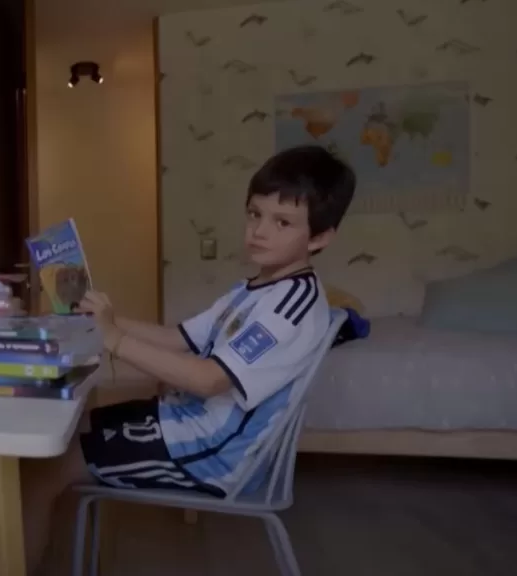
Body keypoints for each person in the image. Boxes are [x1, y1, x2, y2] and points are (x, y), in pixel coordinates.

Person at [18, 145, 356, 573]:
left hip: (212, 453)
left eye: (282, 222)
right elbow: (177, 338)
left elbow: (208, 380)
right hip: (189, 424)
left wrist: (114, 338)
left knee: (40, 475)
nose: (259, 231)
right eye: (254, 214)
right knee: (66, 434)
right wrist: (104, 320)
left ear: (320, 237)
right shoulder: (255, 288)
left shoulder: (290, 306)